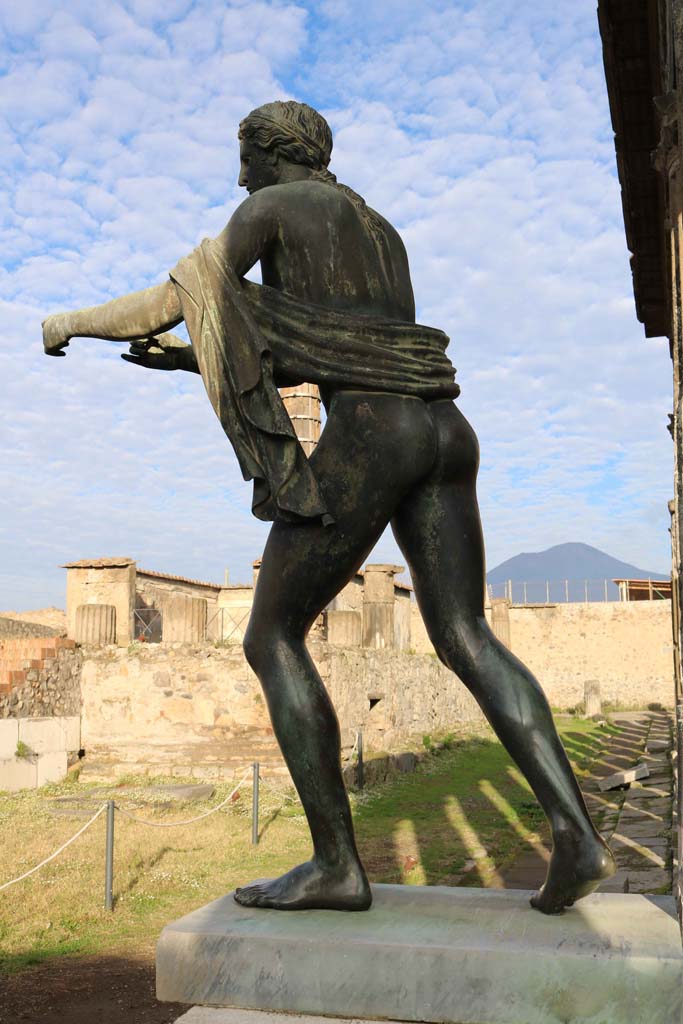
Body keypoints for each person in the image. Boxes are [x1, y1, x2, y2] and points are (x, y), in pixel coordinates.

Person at [42, 100, 615, 915]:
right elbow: (337, 342)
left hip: (373, 432)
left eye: (243, 151)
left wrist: (68, 323)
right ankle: (576, 835)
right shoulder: (379, 229)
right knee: (463, 632)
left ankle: (335, 864)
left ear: (272, 153)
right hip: (445, 430)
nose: (237, 169)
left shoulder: (269, 208)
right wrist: (188, 363)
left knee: (270, 635)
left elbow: (168, 300)